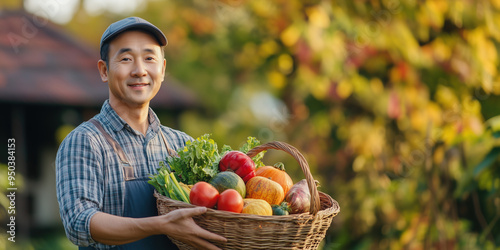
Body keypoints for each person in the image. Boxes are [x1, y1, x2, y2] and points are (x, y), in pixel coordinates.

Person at [55, 17, 226, 249]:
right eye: (126, 59)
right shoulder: (85, 142)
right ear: (104, 70)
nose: (139, 70)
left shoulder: (183, 145)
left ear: (162, 70)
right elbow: (79, 223)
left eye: (149, 58)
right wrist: (160, 224)